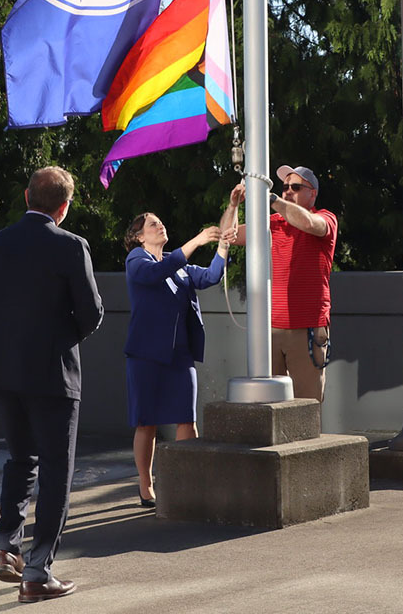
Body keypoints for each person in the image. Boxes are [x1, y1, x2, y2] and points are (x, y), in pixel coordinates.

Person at [0, 166, 103, 603]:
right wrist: (58, 338)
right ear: (63, 208)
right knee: (57, 470)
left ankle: (5, 546)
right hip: (52, 374)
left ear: (27, 197)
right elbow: (92, 313)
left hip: (1, 371)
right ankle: (38, 571)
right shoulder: (71, 246)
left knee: (20, 458)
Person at [123, 208, 235, 506]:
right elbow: (155, 273)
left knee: (186, 419)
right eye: (152, 224)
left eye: (161, 221)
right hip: (146, 355)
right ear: (138, 236)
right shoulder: (137, 259)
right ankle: (146, 486)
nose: (160, 226)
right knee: (146, 422)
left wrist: (222, 245)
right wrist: (197, 240)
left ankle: (186, 482)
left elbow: (211, 276)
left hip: (179, 356)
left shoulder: (180, 265)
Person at [228, 165, 338, 402]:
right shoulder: (273, 222)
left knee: (306, 406)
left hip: (306, 325)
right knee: (270, 407)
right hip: (270, 328)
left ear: (313, 194)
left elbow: (310, 224)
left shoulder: (325, 218)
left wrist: (269, 198)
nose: (287, 191)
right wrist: (234, 204)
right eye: (285, 187)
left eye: (295, 187)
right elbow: (230, 235)